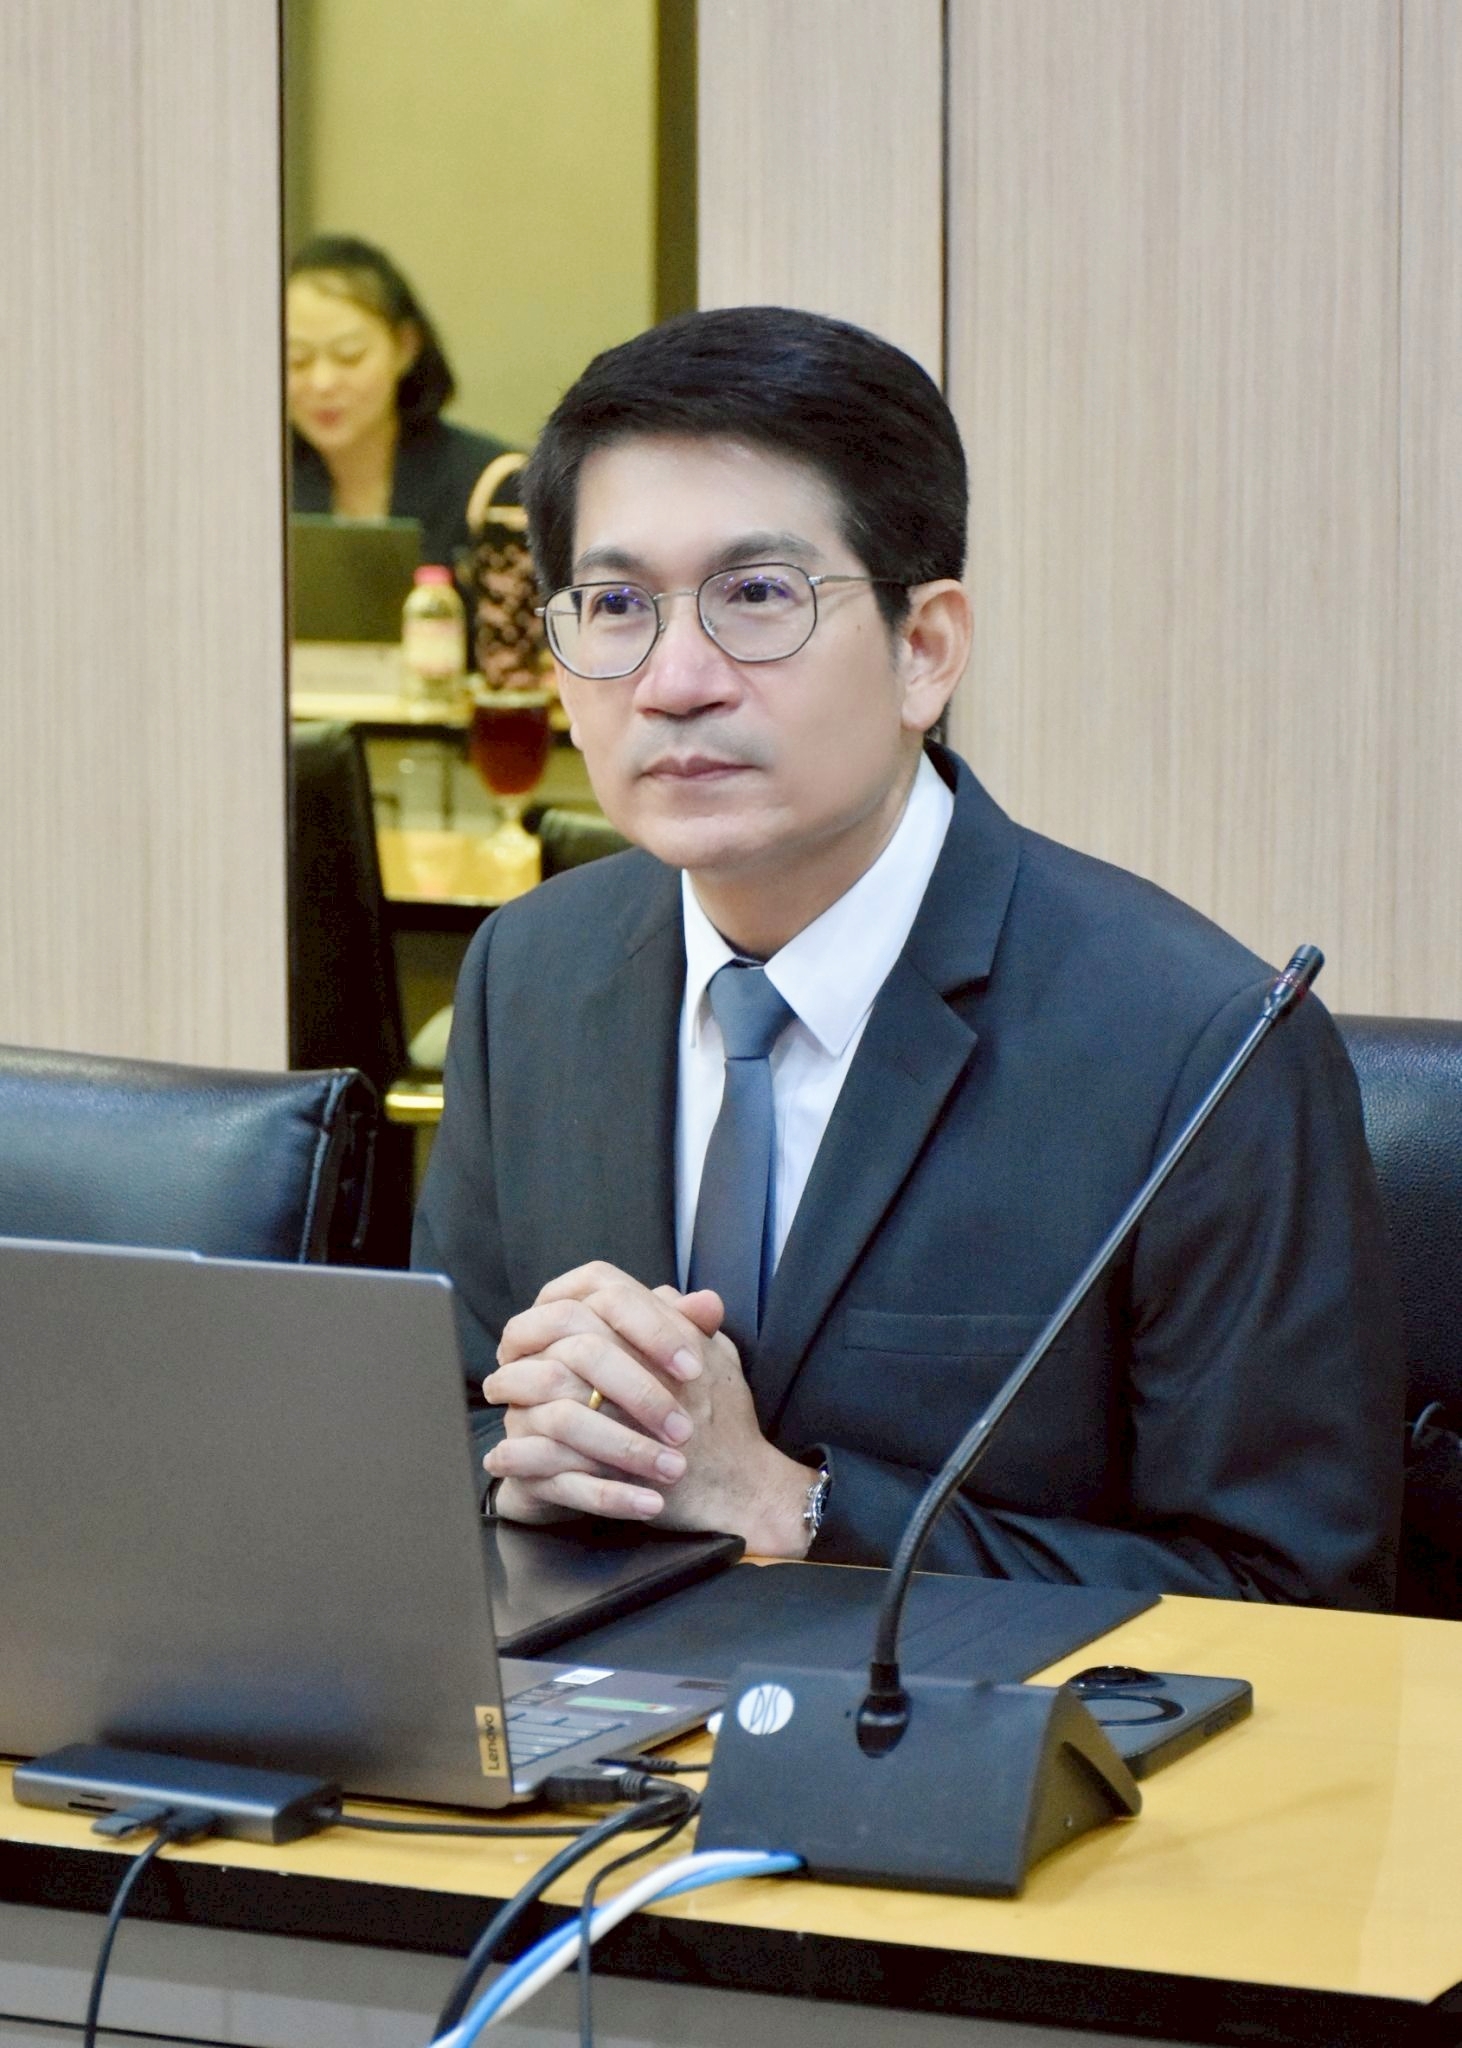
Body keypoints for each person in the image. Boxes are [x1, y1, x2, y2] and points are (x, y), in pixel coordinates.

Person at [413, 305, 1403, 1608]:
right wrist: (522, 1468)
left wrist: (789, 1506)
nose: (673, 679)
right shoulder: (529, 971)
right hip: (589, 1725)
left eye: (756, 596)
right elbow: (438, 1429)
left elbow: (1293, 1595)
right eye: (613, 606)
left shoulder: (1199, 1047)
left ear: (923, 650)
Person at [287, 234, 514, 575]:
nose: (322, 383)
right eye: (297, 359)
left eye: (349, 355)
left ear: (405, 347)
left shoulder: (490, 487)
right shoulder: (252, 487)